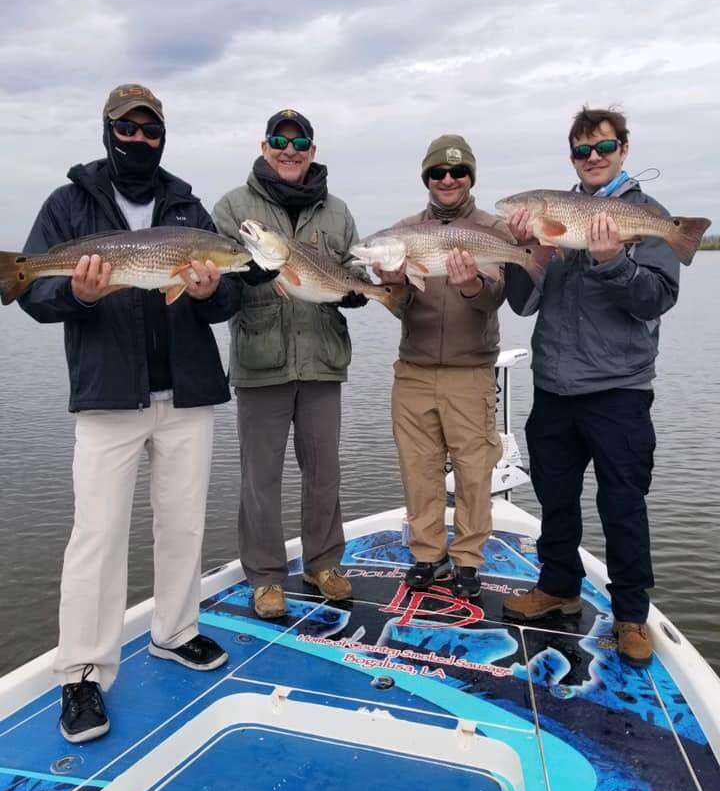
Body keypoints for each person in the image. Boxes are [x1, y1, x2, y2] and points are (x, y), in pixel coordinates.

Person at [19, 84, 246, 743]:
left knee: (183, 523)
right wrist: (82, 297)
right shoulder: (69, 204)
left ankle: (175, 631)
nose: (140, 140)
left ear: (163, 135)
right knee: (96, 535)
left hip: (187, 393)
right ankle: (84, 672)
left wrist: (211, 289)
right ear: (108, 131)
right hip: (107, 395)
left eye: (150, 130)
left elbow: (226, 297)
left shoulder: (185, 206)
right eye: (128, 129)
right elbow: (36, 294)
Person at [502, 106, 680, 667]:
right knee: (556, 501)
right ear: (572, 158)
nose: (594, 158)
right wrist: (527, 253)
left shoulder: (649, 217)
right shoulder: (552, 215)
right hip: (554, 387)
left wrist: (610, 262)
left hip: (619, 391)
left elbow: (657, 297)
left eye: (604, 148)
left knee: (623, 505)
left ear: (624, 150)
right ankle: (558, 587)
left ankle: (631, 616)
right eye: (582, 151)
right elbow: (524, 303)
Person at [213, 109, 366, 620]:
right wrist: (246, 277)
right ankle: (265, 577)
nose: (289, 150)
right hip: (261, 361)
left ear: (312, 151)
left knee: (324, 471)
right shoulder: (234, 208)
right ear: (264, 146)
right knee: (260, 476)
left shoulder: (338, 212)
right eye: (280, 140)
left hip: (323, 359)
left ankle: (323, 563)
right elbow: (215, 288)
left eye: (299, 142)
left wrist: (356, 292)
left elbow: (351, 270)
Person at [374, 135, 505, 599]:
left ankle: (468, 559)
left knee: (474, 470)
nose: (448, 180)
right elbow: (398, 304)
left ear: (470, 176)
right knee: (419, 468)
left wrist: (472, 286)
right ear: (426, 179)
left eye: (457, 172)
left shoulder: (492, 228)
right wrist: (392, 284)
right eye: (437, 173)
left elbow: (496, 298)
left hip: (471, 371)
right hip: (414, 368)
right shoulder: (403, 232)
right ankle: (428, 554)